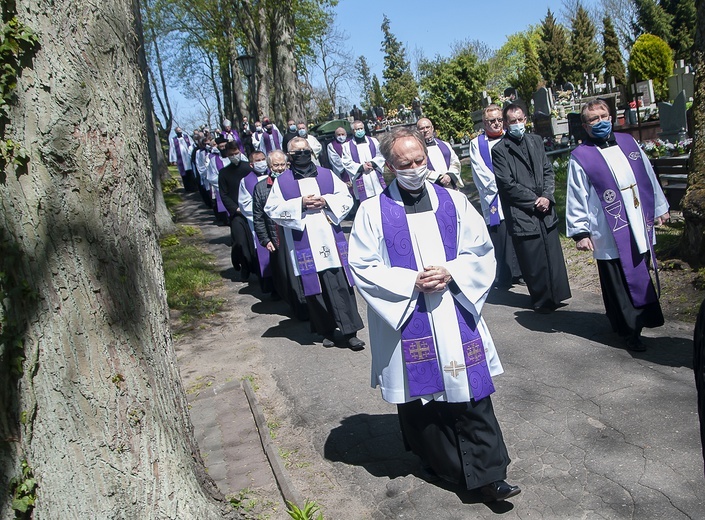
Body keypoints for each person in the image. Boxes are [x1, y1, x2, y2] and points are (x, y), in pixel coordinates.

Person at [347, 126, 520, 501]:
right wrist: (411, 281)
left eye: (419, 160)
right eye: (403, 163)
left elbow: (481, 251)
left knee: (471, 393)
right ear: (389, 166)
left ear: (428, 156)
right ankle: (442, 464)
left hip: (453, 310)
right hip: (407, 316)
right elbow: (361, 266)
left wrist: (451, 271)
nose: (413, 167)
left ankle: (490, 475)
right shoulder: (372, 211)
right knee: (421, 402)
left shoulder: (454, 201)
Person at [566, 99, 669, 351]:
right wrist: (580, 231)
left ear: (612, 117)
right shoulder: (581, 156)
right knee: (617, 281)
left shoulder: (629, 143)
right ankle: (629, 331)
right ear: (585, 125)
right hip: (609, 230)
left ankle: (641, 318)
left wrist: (659, 208)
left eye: (604, 116)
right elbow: (575, 194)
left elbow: (648, 177)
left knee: (638, 272)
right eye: (593, 119)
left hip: (638, 220)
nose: (600, 122)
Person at [264, 137, 365, 350]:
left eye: (304, 150)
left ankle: (350, 332)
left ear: (311, 151)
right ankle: (326, 330)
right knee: (314, 287)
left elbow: (346, 198)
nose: (301, 154)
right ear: (289, 155)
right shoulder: (283, 182)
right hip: (304, 241)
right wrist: (299, 203)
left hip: (330, 238)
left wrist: (326, 201)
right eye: (296, 151)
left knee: (339, 284)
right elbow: (272, 209)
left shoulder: (327, 174)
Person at [491, 103, 571, 313]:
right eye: (513, 121)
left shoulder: (535, 141)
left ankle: (558, 294)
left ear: (525, 119)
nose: (517, 124)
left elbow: (547, 171)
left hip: (545, 208)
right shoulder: (500, 150)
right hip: (523, 211)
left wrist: (547, 196)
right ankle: (542, 300)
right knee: (533, 257)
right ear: (506, 124)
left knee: (551, 253)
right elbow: (506, 184)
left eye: (520, 119)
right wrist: (535, 200)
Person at [469, 104, 522, 289]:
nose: (497, 124)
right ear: (484, 123)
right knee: (501, 233)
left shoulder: (511, 137)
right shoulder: (477, 144)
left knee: (518, 229)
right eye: (492, 121)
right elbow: (480, 171)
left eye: (500, 120)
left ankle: (520, 272)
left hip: (516, 192)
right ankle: (504, 274)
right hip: (494, 195)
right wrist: (503, 185)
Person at [218, 141, 257, 280]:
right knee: (240, 241)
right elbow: (223, 194)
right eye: (231, 155)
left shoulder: (249, 169)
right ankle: (244, 266)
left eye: (236, 153)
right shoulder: (224, 173)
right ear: (227, 155)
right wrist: (235, 209)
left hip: (253, 210)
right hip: (238, 212)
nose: (234, 156)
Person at [239, 150, 272, 287]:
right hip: (260, 222)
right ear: (251, 164)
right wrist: (262, 214)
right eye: (258, 161)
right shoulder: (245, 181)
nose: (261, 163)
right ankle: (270, 286)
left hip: (277, 221)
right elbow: (244, 204)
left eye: (263, 159)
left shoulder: (275, 176)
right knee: (264, 253)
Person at [341, 120, 386, 202]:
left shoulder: (374, 141)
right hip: (361, 177)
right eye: (357, 129)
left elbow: (381, 155)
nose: (360, 131)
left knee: (381, 200)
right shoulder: (347, 146)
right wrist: (361, 167)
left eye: (361, 128)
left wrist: (373, 163)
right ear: (352, 131)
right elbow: (346, 162)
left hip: (374, 176)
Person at [416, 117, 463, 189]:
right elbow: (418, 169)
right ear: (417, 131)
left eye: (427, 127)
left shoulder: (445, 145)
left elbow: (455, 162)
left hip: (451, 185)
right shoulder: (416, 150)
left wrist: (449, 176)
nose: (425, 130)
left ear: (432, 128)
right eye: (422, 128)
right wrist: (439, 178)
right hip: (432, 188)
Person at [169, 127, 196, 192]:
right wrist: (173, 160)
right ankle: (188, 188)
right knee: (184, 175)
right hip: (181, 160)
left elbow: (192, 144)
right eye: (177, 131)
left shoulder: (186, 137)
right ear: (176, 132)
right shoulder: (174, 140)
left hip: (188, 158)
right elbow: (172, 150)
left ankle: (194, 187)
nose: (179, 132)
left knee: (191, 173)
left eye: (180, 130)